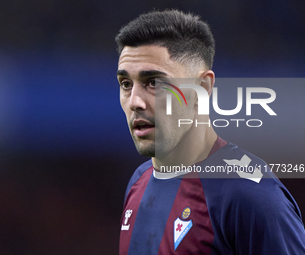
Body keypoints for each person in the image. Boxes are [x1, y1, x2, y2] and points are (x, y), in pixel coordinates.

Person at [115, 9, 305, 254]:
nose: (134, 102)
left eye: (154, 82)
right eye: (126, 84)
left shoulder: (251, 195)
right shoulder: (139, 181)